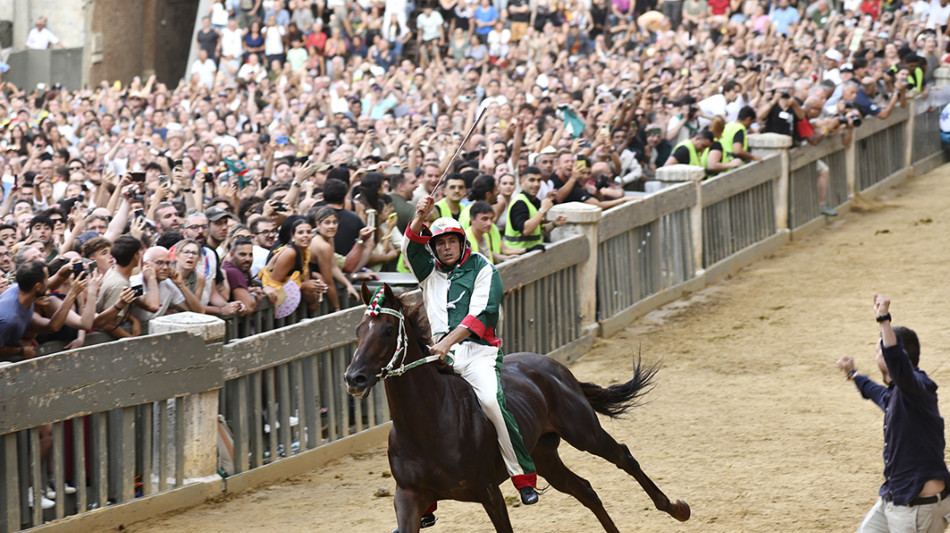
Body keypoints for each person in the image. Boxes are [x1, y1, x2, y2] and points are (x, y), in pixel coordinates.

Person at [403, 198, 541, 521]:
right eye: (440, 244)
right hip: (439, 355)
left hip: (477, 353)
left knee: (492, 402)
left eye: (452, 241)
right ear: (434, 248)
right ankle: (423, 499)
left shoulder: (483, 268)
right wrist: (419, 216)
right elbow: (410, 248)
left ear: (462, 242)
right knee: (414, 413)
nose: (447, 248)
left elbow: (481, 315)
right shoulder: (429, 272)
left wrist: (446, 344)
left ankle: (522, 476)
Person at [836, 294, 950, 533]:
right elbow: (876, 392)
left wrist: (884, 320)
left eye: (880, 351)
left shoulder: (917, 387)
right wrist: (853, 374)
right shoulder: (899, 394)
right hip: (895, 497)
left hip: (917, 509)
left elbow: (896, 358)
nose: (877, 355)